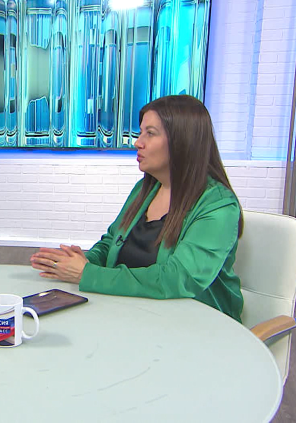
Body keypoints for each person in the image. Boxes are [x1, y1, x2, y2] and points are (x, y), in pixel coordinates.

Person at [30, 95, 244, 321]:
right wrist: (80, 262)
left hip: (196, 325)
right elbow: (110, 244)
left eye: (150, 133)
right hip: (135, 314)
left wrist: (88, 274)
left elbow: (178, 279)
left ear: (182, 141)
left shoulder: (218, 206)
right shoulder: (145, 189)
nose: (137, 143)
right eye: (141, 132)